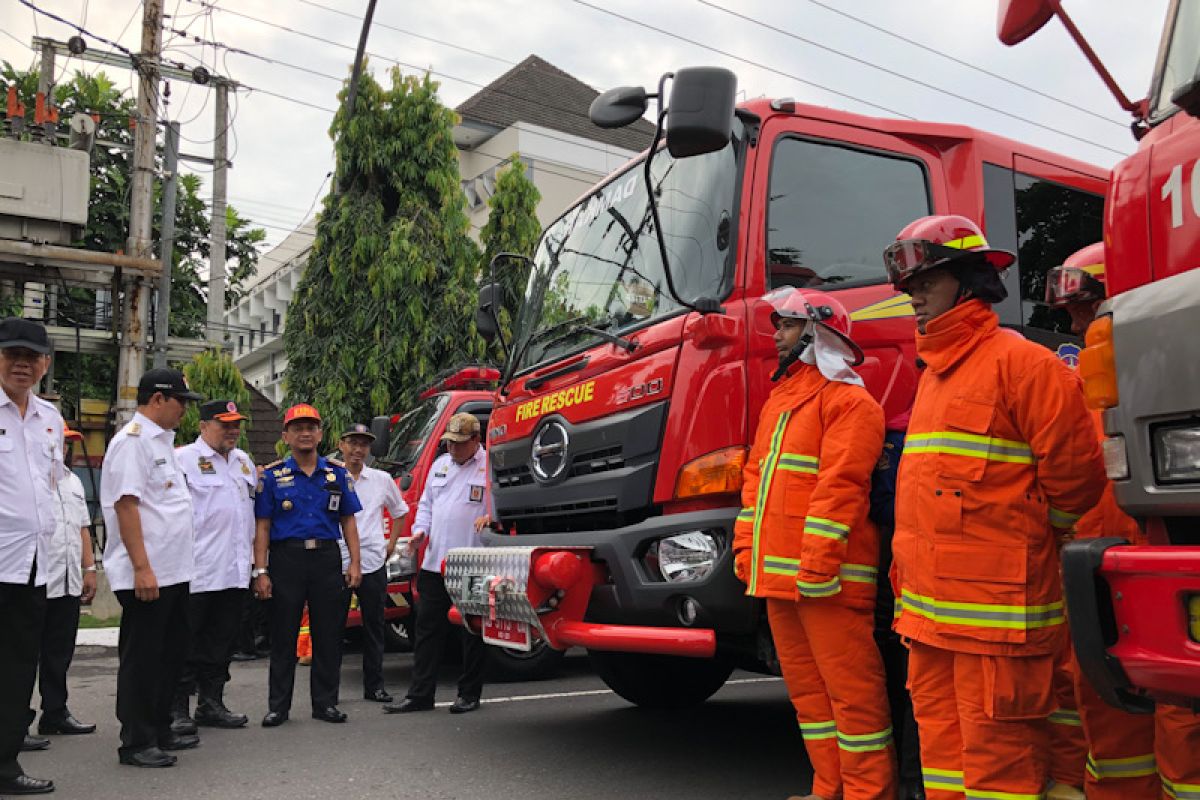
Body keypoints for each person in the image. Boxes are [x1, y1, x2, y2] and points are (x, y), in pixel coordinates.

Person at [883, 215, 1107, 800]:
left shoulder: (1024, 365)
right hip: (930, 625)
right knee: (944, 770)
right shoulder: (934, 374)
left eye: (926, 283)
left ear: (969, 280)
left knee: (1000, 774)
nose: (914, 298)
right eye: (909, 288)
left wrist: (1037, 541)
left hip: (998, 626)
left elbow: (1078, 482)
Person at [1045, 243, 1200, 800]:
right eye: (1068, 309)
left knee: (1181, 717)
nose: (1076, 319)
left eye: (1086, 303)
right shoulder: (1076, 384)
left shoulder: (1167, 373)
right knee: (1105, 716)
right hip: (1097, 571)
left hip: (1153, 565)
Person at [733, 288, 896, 800]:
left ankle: (869, 793)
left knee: (853, 699)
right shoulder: (781, 404)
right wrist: (746, 551)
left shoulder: (851, 402)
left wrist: (819, 565)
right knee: (809, 697)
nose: (775, 335)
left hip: (830, 582)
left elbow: (842, 488)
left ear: (816, 332)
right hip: (782, 580)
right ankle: (828, 789)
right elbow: (755, 483)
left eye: (784, 325)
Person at [101, 367, 203, 768]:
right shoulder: (133, 443)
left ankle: (159, 729)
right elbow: (126, 505)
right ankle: (137, 740)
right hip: (149, 573)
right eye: (180, 403)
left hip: (175, 571)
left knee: (170, 656)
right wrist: (141, 568)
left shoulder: (163, 443)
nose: (184, 412)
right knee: (143, 659)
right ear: (158, 399)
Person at [253, 403, 362, 727]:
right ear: (285, 435)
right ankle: (278, 707)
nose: (305, 433)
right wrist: (261, 571)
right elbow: (262, 526)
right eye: (298, 428)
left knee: (328, 635)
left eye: (311, 427)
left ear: (320, 434)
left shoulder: (337, 474)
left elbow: (349, 521)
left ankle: (325, 703)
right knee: (284, 635)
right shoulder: (272, 477)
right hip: (287, 558)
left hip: (326, 558)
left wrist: (354, 563)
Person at [384, 412, 491, 716]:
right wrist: (420, 531)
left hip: (472, 560)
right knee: (427, 629)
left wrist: (492, 518)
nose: (453, 449)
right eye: (450, 443)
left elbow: (502, 506)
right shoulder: (439, 465)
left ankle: (469, 693)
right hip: (435, 562)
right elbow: (427, 507)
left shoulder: (488, 467)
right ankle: (420, 694)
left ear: (476, 440)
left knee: (472, 630)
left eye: (460, 444)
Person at [0, 317, 62, 795]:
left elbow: (48, 488)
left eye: (30, 356)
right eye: (11, 354)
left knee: (18, 672)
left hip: (32, 565)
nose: (21, 364)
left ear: (44, 364)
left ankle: (5, 766)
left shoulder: (49, 419)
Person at [171, 400, 256, 734]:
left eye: (237, 425)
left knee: (221, 643)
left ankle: (212, 703)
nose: (233, 431)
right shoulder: (182, 460)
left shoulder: (244, 462)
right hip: (196, 571)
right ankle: (177, 708)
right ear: (204, 425)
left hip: (234, 571)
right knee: (185, 644)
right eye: (225, 424)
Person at [32, 427, 97, 741]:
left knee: (59, 652)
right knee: (23, 655)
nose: (65, 449)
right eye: (60, 443)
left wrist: (90, 568)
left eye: (68, 444)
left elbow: (83, 527)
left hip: (68, 580)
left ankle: (55, 713)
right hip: (35, 579)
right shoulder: (28, 478)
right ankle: (15, 722)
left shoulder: (73, 482)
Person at [337, 423, 409, 703]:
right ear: (341, 445)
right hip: (339, 561)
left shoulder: (381, 479)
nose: (358, 450)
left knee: (374, 627)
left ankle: (375, 686)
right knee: (333, 628)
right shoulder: (332, 476)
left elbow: (400, 511)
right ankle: (329, 693)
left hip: (373, 561)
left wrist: (391, 545)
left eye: (364, 445)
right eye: (353, 443)